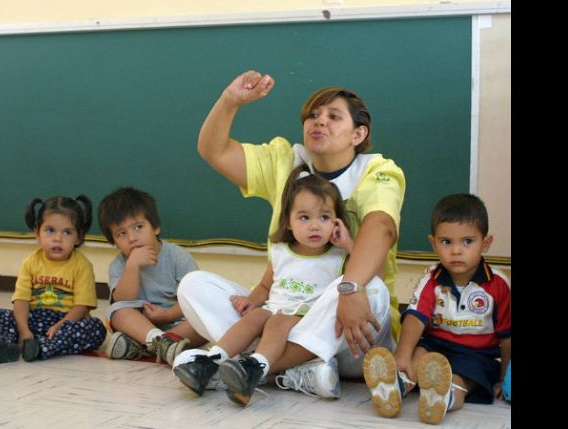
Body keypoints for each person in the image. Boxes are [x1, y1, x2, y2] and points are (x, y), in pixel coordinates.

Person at [174, 70, 405, 395]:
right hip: (282, 315)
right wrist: (229, 101)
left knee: (372, 288)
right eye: (313, 115)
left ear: (358, 134)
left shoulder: (378, 171)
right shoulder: (286, 161)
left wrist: (351, 288)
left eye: (333, 116)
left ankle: (250, 366)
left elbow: (381, 227)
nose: (319, 121)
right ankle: (297, 371)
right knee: (194, 286)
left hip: (349, 333)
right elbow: (215, 151)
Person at [174, 166, 354, 405]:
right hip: (275, 312)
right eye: (304, 217)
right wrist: (250, 301)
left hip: (307, 321)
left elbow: (370, 279)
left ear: (337, 221)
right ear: (287, 221)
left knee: (277, 321)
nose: (315, 226)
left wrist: (349, 244)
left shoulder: (338, 256)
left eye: (324, 217)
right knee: (257, 316)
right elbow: (265, 287)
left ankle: (255, 367)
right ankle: (213, 360)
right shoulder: (281, 252)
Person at [362, 193, 510, 425]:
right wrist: (402, 355)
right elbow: (415, 318)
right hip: (436, 345)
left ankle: (444, 397)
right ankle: (395, 387)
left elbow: (507, 337)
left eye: (467, 241)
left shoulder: (499, 284)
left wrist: (504, 378)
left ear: (486, 243)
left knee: (462, 379)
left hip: (477, 355)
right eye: (446, 242)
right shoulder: (431, 278)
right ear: (433, 243)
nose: (456, 251)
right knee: (417, 358)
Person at [0, 195, 107, 362]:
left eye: (67, 232)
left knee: (96, 328)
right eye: (50, 230)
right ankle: (4, 347)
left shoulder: (82, 265)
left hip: (66, 321)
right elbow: (21, 300)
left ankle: (40, 348)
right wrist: (23, 330)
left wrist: (59, 326)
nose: (57, 238)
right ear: (37, 233)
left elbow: (82, 307)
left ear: (79, 237)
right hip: (33, 319)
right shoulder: (30, 262)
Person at [98, 187, 206, 366]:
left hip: (177, 323)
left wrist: (167, 315)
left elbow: (194, 298)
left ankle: (143, 347)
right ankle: (161, 343)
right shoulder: (119, 264)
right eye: (122, 234)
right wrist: (132, 266)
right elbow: (124, 300)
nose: (132, 238)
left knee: (204, 320)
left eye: (138, 227)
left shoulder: (178, 256)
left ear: (155, 227)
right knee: (117, 312)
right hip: (140, 326)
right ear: (114, 242)